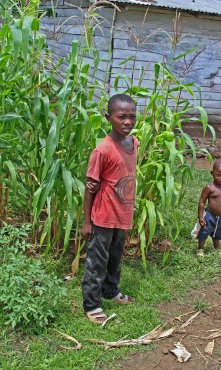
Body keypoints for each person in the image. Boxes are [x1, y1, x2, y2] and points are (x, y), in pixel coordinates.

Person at [82, 93, 138, 324]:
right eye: (121, 116)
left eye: (132, 117)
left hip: (122, 214)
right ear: (108, 117)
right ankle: (92, 304)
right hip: (103, 217)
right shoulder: (102, 150)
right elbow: (90, 188)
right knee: (98, 261)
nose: (127, 121)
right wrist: (87, 222)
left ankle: (111, 291)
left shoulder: (133, 142)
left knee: (115, 257)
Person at [196, 159, 221, 257]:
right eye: (218, 175)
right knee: (204, 232)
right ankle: (200, 249)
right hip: (210, 216)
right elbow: (202, 202)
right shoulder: (209, 188)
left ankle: (217, 249)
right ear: (212, 173)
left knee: (218, 234)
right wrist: (200, 217)